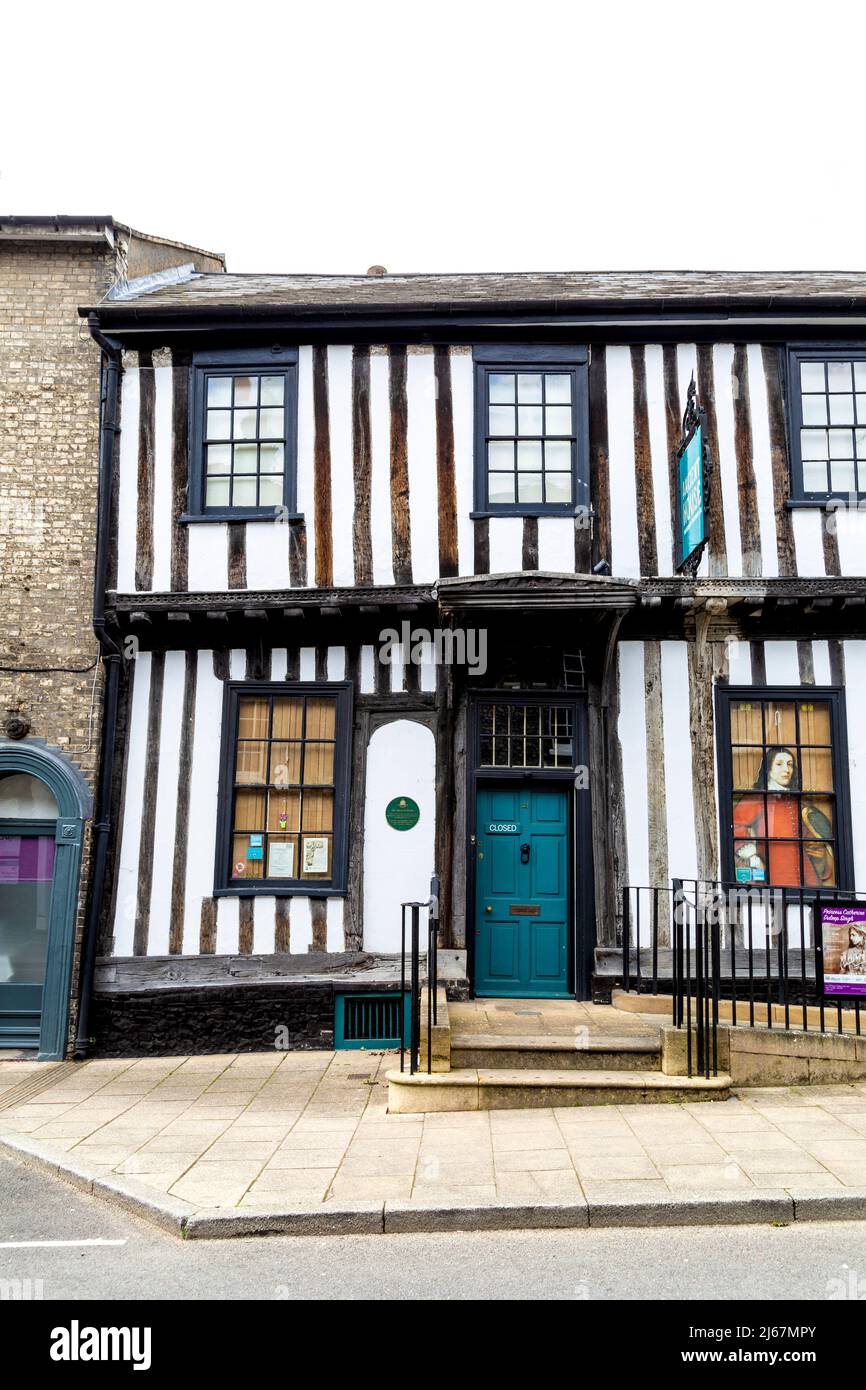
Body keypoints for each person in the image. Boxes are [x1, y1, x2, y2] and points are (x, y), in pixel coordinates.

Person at [732, 745, 834, 886]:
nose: (786, 770)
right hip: (774, 867)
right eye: (779, 764)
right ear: (769, 768)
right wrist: (752, 855)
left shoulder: (794, 799)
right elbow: (735, 824)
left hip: (803, 871)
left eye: (790, 765)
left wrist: (818, 852)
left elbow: (807, 834)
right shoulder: (757, 797)